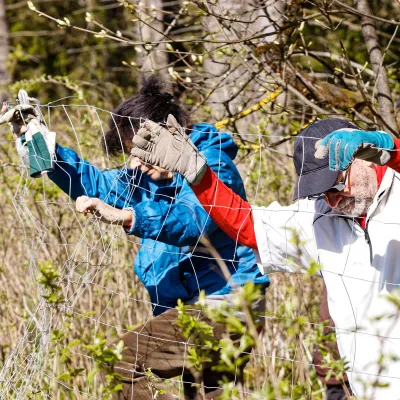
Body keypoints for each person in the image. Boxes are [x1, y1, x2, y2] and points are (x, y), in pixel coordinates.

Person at [0, 77, 270, 399]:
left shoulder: (212, 166)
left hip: (226, 303)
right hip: (187, 309)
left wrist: (129, 216)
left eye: (141, 152)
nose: (135, 163)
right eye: (131, 154)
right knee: (206, 394)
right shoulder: (145, 174)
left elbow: (192, 219)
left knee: (123, 360)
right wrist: (50, 151)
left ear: (168, 136)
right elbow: (98, 183)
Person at [130, 115, 400, 399]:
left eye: (336, 184)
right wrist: (199, 176)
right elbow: (247, 225)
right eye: (322, 192)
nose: (333, 199)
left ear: (364, 158)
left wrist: (390, 148)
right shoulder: (320, 217)